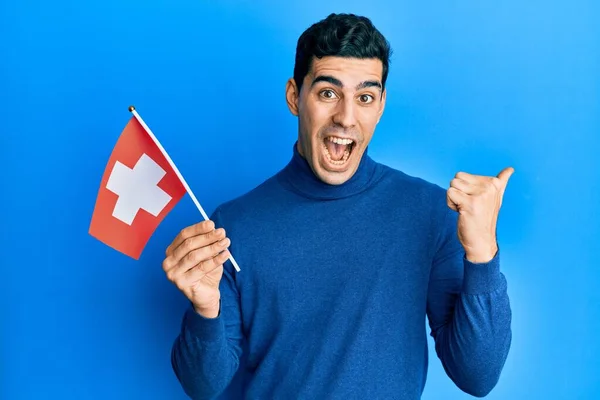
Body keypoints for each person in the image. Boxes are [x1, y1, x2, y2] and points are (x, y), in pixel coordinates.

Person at [163, 12, 513, 400]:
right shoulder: (232, 226)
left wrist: (482, 253)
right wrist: (206, 311)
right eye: (328, 93)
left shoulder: (430, 212)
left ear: (380, 105)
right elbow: (203, 386)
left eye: (364, 97)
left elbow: (478, 377)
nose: (346, 117)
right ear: (295, 97)